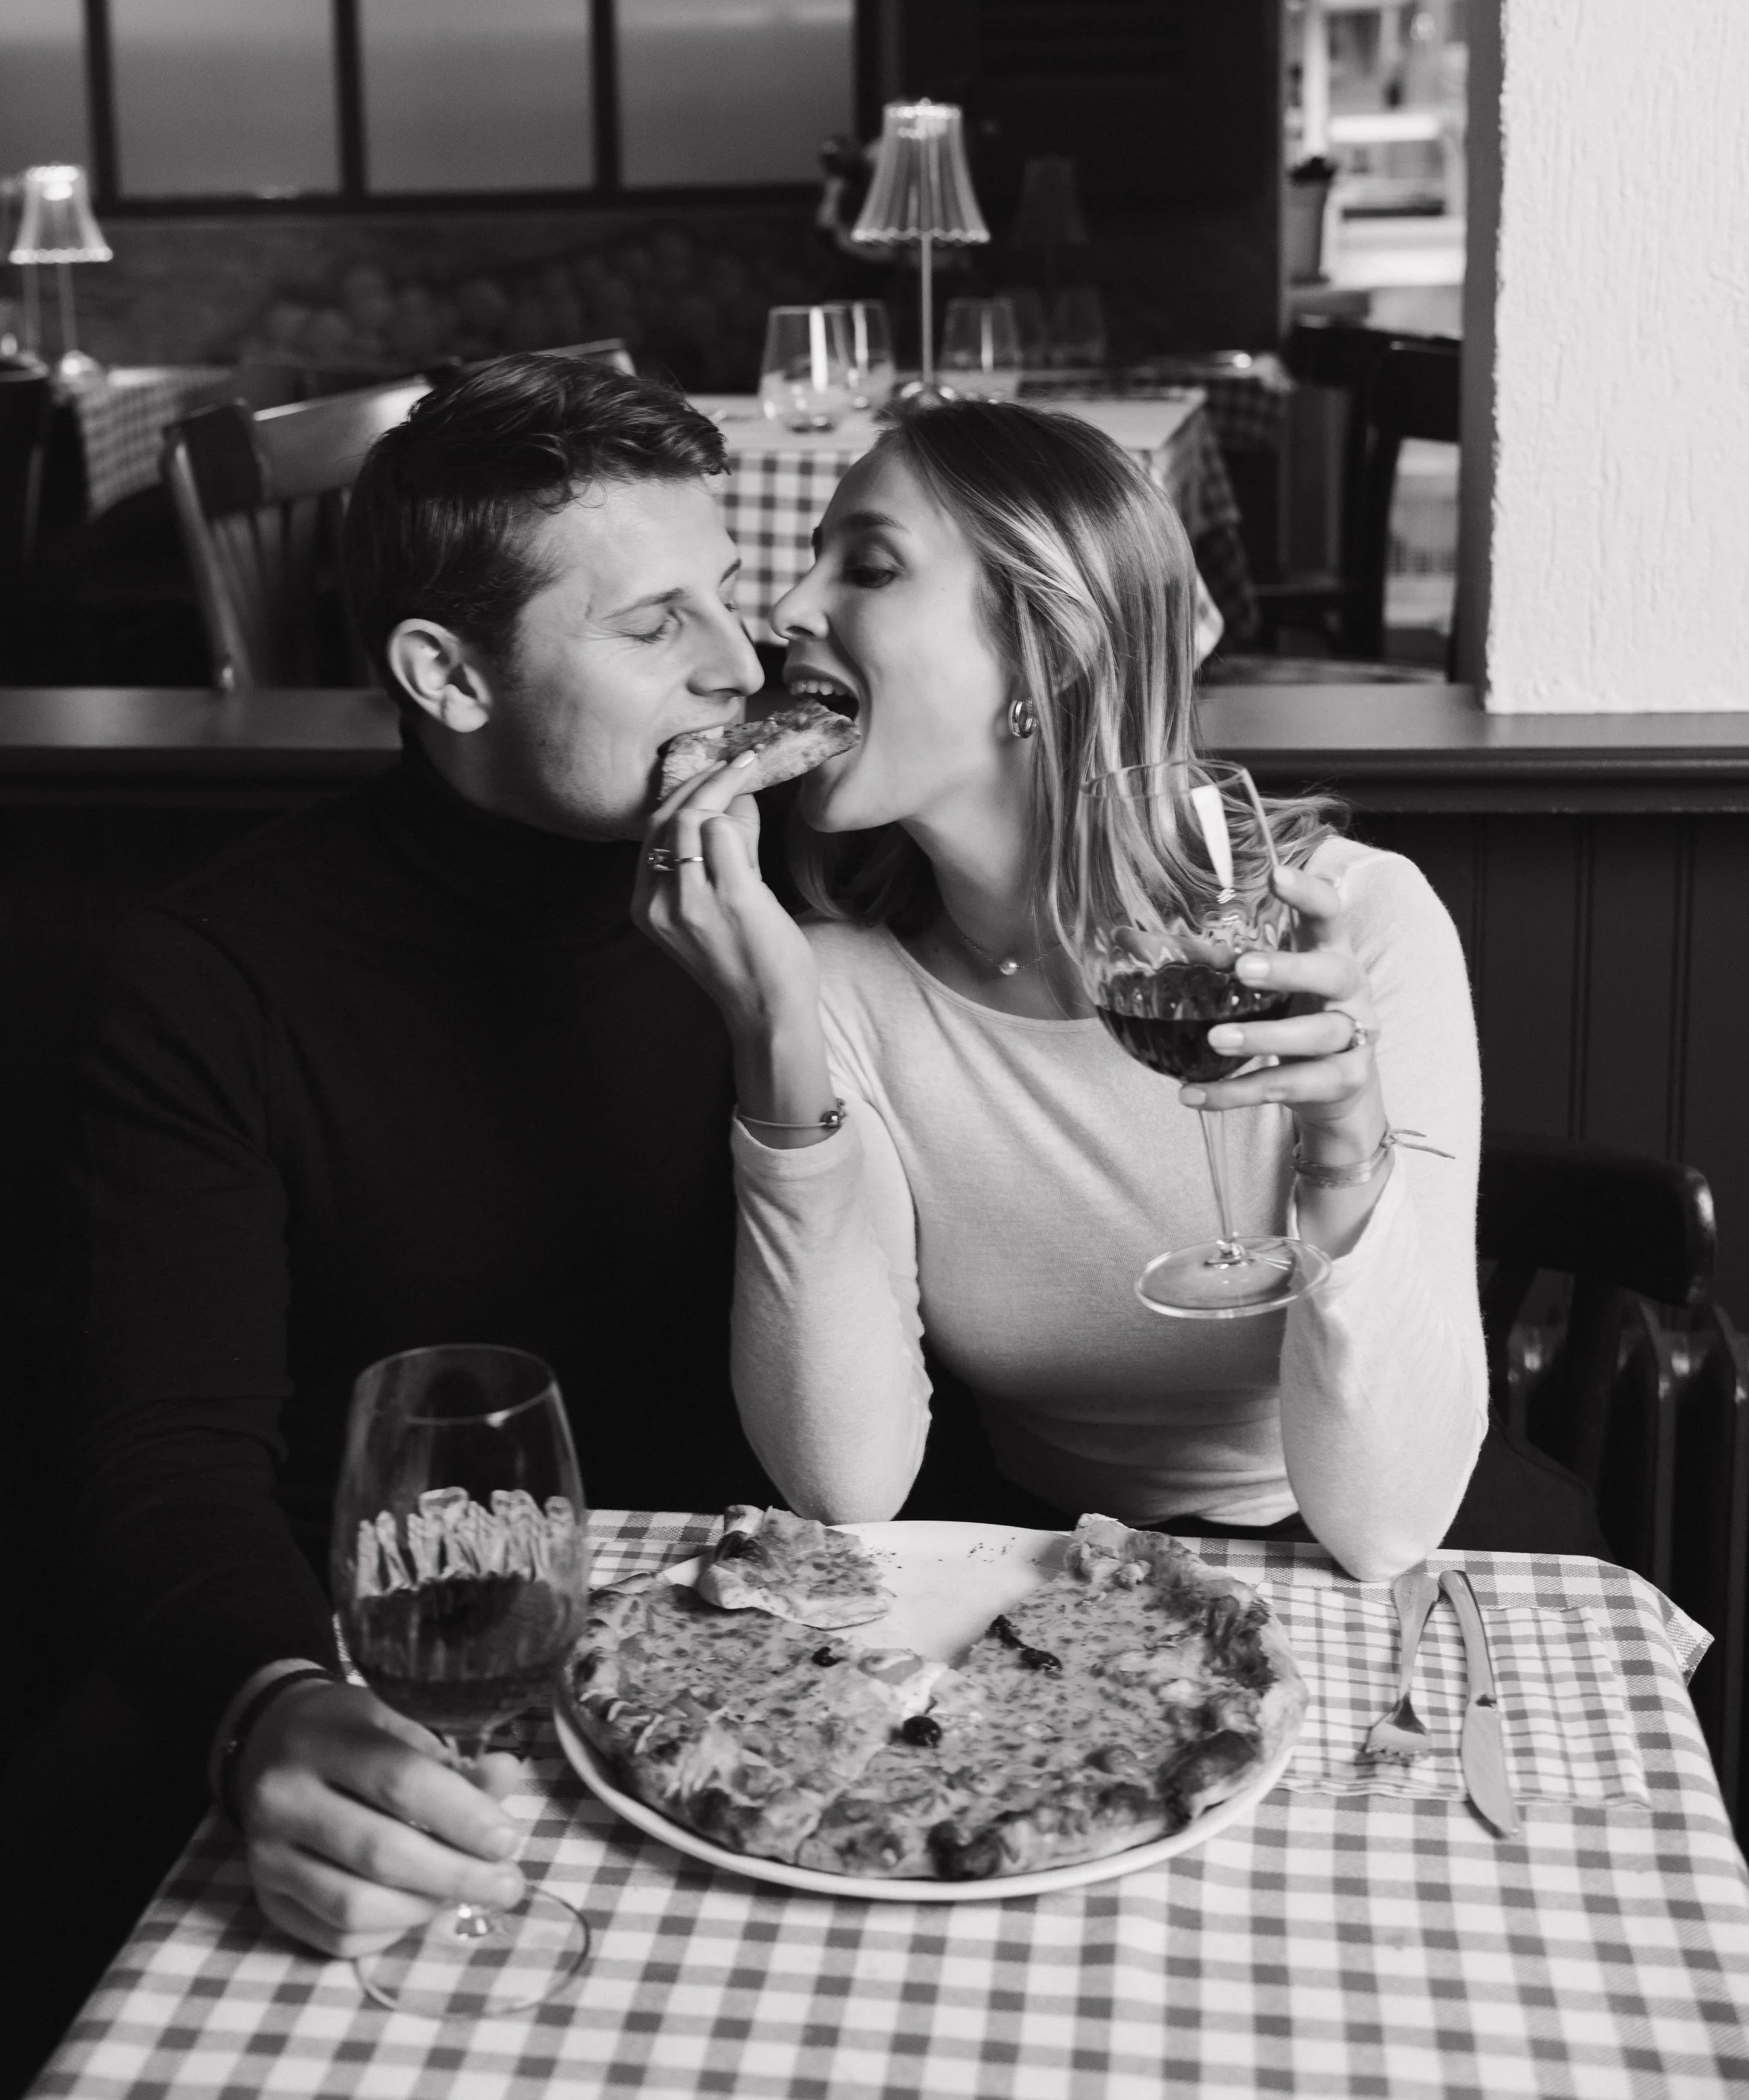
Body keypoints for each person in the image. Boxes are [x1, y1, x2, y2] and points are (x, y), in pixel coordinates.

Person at [60, 360, 774, 1984]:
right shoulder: (214, 973)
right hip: (415, 1664)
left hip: (778, 1654)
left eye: (725, 595)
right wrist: (271, 1702)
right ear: (447, 674)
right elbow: (163, 1459)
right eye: (654, 623)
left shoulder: (817, 860)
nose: (738, 667)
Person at [638, 399, 1499, 1573]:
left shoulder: (1346, 929)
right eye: (809, 566)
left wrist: (1348, 1154)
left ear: (1051, 652)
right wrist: (773, 1034)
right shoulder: (831, 981)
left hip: (1334, 1554)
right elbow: (840, 1483)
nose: (786, 611)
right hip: (1038, 1564)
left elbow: (1386, 1526)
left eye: (872, 568)